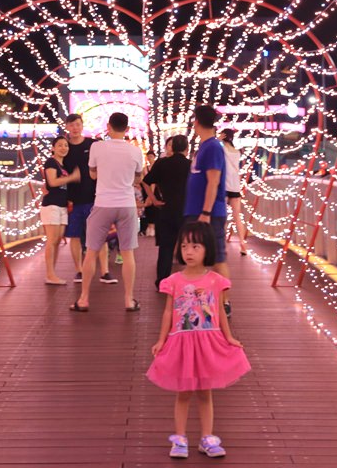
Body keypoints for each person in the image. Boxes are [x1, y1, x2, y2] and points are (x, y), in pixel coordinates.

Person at [147, 221, 250, 459]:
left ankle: (207, 438)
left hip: (207, 342)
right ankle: (180, 438)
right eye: (184, 246)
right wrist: (161, 340)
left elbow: (221, 312)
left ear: (207, 249)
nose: (189, 252)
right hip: (182, 343)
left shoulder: (215, 280)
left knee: (205, 392)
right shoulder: (174, 280)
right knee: (183, 392)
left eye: (195, 246)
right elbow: (168, 312)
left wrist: (229, 337)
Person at [70, 112, 144, 312]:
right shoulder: (135, 151)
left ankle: (84, 299)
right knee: (128, 253)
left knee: (91, 251)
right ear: (127, 129)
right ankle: (129, 300)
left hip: (102, 203)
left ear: (108, 127)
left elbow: (92, 173)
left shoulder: (97, 146)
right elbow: (138, 178)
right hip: (127, 205)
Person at [183, 105, 231, 314]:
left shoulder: (212, 147)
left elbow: (214, 181)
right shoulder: (205, 146)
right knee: (198, 256)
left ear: (197, 123)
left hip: (208, 213)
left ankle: (225, 303)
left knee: (218, 257)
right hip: (198, 210)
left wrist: (206, 212)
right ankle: (203, 301)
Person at [63, 114, 113, 284]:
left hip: (95, 198)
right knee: (75, 236)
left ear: (82, 125)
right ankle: (79, 270)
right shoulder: (64, 147)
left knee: (101, 235)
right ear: (67, 127)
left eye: (78, 124)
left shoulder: (92, 144)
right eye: (72, 125)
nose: (75, 128)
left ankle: (105, 271)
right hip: (72, 200)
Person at [142, 134, 190, 289]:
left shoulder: (162, 163)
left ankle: (162, 281)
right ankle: (188, 281)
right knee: (189, 246)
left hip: (166, 208)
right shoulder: (191, 165)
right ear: (186, 149)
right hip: (186, 211)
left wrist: (153, 199)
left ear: (172, 147)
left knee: (166, 248)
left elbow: (146, 181)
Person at [41, 137, 80, 285]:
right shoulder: (51, 162)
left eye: (65, 145)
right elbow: (52, 182)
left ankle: (52, 274)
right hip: (52, 205)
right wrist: (72, 177)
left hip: (62, 206)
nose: (63, 148)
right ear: (53, 148)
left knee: (57, 241)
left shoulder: (63, 165)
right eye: (59, 146)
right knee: (52, 241)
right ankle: (50, 274)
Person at [218, 129, 248, 256]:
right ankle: (242, 244)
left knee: (222, 216)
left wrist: (217, 140)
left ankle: (222, 245)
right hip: (235, 186)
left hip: (224, 185)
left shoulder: (221, 150)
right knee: (237, 217)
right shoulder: (237, 152)